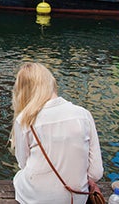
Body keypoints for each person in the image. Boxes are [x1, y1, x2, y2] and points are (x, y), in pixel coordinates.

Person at [11, 62, 103, 204]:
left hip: (36, 198)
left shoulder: (24, 119)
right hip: (77, 197)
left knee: (18, 177)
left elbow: (23, 164)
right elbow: (96, 173)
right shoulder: (83, 115)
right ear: (51, 83)